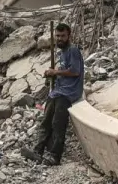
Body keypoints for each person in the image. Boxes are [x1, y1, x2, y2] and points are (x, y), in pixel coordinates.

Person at [23, 22, 84, 166]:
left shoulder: (73, 50)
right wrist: (52, 75)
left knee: (58, 123)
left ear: (69, 35)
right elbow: (64, 72)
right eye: (57, 36)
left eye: (62, 36)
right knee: (46, 122)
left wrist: (55, 72)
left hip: (68, 93)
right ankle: (38, 150)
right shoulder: (61, 53)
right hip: (57, 92)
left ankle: (54, 155)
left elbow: (75, 71)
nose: (59, 39)